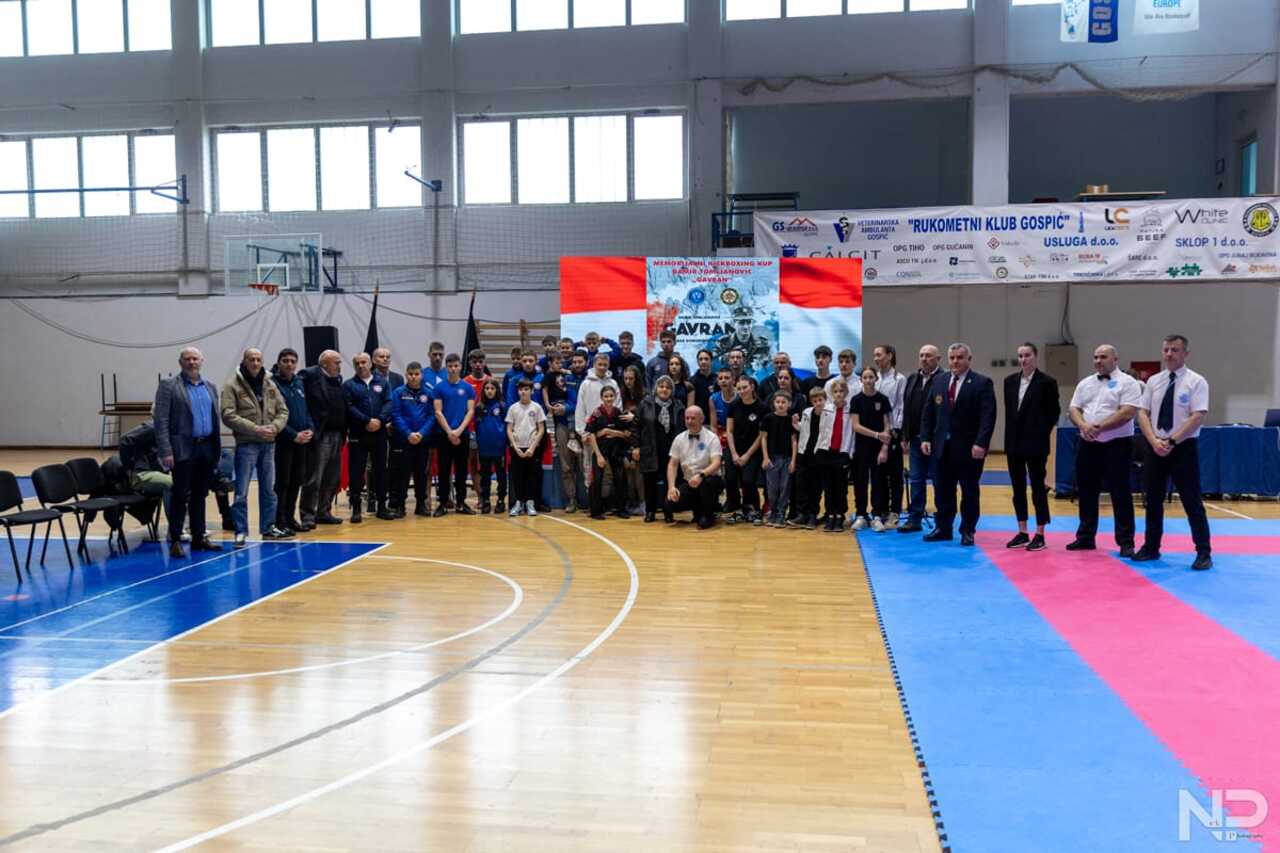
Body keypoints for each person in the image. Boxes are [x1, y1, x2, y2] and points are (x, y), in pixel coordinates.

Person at [1134, 335, 1213, 570]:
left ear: (1185, 354)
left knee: (1191, 501)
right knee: (1153, 500)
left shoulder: (1196, 381)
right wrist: (1153, 440)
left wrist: (1172, 441)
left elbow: (1197, 416)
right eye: (1166, 349)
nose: (1169, 354)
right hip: (1155, 446)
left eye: (1175, 350)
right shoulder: (1153, 381)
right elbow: (1142, 413)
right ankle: (1151, 546)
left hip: (1183, 447)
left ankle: (1203, 552)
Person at [1066, 344, 1143, 557]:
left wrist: (1099, 427)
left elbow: (1127, 412)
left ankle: (1126, 541)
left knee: (1120, 492)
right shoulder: (1085, 383)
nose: (1098, 361)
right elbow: (1073, 409)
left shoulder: (1128, 383)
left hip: (1117, 444)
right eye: (1095, 357)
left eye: (1103, 357)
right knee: (1086, 491)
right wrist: (1084, 426)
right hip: (1087, 443)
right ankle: (1085, 537)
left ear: (1115, 359)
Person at [920, 343, 997, 546]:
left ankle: (967, 530)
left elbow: (988, 417)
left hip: (969, 449)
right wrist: (926, 437)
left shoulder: (982, 383)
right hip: (941, 448)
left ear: (969, 359)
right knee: (942, 491)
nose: (955, 361)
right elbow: (928, 412)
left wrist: (981, 443)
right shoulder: (939, 381)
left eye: (960, 357)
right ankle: (943, 527)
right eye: (952, 358)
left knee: (969, 491)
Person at [154, 347, 223, 557]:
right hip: (183, 449)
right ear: (180, 362)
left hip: (206, 447)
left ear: (201, 361)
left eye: (195, 359)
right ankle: (175, 539)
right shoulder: (168, 386)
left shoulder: (210, 387)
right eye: (187, 359)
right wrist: (166, 451)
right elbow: (161, 420)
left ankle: (199, 537)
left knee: (200, 495)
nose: (191, 362)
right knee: (180, 494)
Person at [220, 347, 290, 546]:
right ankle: (240, 531)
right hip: (247, 445)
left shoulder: (270, 383)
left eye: (259, 359)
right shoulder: (232, 385)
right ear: (244, 361)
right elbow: (228, 415)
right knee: (241, 491)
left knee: (269, 490)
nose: (256, 363)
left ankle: (268, 527)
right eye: (252, 359)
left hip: (269, 444)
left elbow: (283, 411)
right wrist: (255, 429)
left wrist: (274, 428)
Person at [1002, 342, 1061, 552]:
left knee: (1037, 488)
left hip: (1036, 444)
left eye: (1027, 355)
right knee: (1017, 489)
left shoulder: (1047, 382)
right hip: (1013, 444)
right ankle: (1022, 531)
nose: (1023, 359)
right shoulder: (1009, 381)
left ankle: (1040, 533)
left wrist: (1039, 433)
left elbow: (1054, 413)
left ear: (1035, 357)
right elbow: (1011, 413)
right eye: (1020, 355)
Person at [341, 353, 392, 524]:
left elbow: (388, 403)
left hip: (379, 432)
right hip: (358, 433)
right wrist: (366, 421)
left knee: (381, 470)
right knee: (356, 472)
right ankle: (356, 508)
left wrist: (380, 420)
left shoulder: (383, 382)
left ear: (370, 364)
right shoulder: (348, 385)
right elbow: (349, 407)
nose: (361, 365)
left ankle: (382, 506)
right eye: (357, 363)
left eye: (364, 362)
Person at [300, 349, 346, 528]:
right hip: (320, 435)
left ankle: (324, 511)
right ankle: (307, 515)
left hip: (338, 434)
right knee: (314, 478)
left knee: (332, 478)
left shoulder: (338, 380)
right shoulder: (310, 375)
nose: (340, 366)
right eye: (336, 362)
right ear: (325, 363)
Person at [898, 345, 942, 534]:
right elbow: (906, 409)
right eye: (921, 355)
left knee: (940, 480)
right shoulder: (913, 379)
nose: (924, 358)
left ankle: (942, 519)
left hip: (937, 441)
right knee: (916, 479)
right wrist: (904, 435)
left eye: (929, 355)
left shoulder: (944, 379)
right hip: (916, 439)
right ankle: (914, 518)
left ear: (938, 359)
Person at [271, 348, 313, 534]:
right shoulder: (272, 384)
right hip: (284, 441)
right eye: (285, 360)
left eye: (292, 361)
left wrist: (310, 429)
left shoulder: (299, 382)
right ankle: (279, 521)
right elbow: (273, 415)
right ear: (279, 362)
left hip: (302, 441)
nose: (289, 364)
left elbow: (306, 410)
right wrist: (293, 435)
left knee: (297, 480)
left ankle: (290, 517)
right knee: (283, 482)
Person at [665, 406, 724, 530]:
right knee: (670, 503)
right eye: (687, 418)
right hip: (690, 482)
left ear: (702, 419)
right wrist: (671, 487)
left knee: (706, 485)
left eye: (693, 418)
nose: (689, 421)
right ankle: (698, 510)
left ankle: (708, 516)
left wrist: (701, 475)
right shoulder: (679, 439)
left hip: (709, 479)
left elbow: (717, 462)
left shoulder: (712, 437)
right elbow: (672, 464)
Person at [849, 366, 893, 532]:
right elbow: (856, 426)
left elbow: (887, 426)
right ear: (861, 380)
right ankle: (861, 515)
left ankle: (877, 516)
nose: (868, 380)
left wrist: (884, 448)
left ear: (876, 379)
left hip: (878, 448)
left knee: (878, 481)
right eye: (865, 377)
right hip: (861, 448)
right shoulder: (856, 400)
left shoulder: (883, 399)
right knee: (860, 481)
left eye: (871, 377)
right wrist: (876, 435)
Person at [636, 376, 685, 523]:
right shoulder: (645, 403)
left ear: (672, 390)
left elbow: (682, 429)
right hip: (650, 448)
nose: (664, 389)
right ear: (656, 388)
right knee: (649, 481)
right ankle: (650, 511)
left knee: (669, 481)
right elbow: (636, 426)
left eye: (668, 387)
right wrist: (636, 447)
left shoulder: (678, 405)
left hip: (671, 450)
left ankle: (668, 511)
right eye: (661, 386)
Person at [433, 353, 476, 515]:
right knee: (444, 470)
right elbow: (438, 412)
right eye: (450, 366)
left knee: (461, 470)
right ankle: (443, 503)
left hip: (462, 434)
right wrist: (450, 432)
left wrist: (458, 431)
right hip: (444, 435)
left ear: (460, 367)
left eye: (455, 366)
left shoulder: (468, 388)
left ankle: (461, 503)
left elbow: (470, 411)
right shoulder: (439, 388)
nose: (453, 369)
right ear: (446, 367)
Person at [389, 361, 434, 517]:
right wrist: (408, 433)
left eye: (416, 374)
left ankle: (420, 505)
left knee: (421, 473)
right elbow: (396, 415)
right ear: (406, 375)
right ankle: (400, 506)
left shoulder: (429, 393)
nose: (413, 377)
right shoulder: (398, 392)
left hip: (422, 440)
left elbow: (432, 416)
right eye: (410, 374)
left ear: (422, 375)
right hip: (404, 440)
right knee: (402, 473)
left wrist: (421, 433)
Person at [586, 385, 633, 519]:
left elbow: (627, 434)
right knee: (597, 479)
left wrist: (610, 432)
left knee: (620, 478)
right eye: (606, 396)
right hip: (600, 450)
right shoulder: (596, 413)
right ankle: (596, 511)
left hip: (616, 450)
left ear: (615, 397)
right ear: (601, 398)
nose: (609, 399)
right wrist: (598, 455)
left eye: (611, 396)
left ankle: (621, 509)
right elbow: (591, 434)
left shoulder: (619, 413)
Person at [726, 376, 768, 525]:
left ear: (752, 387)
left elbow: (761, 434)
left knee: (748, 480)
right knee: (731, 478)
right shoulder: (733, 405)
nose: (742, 391)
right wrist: (734, 453)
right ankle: (738, 509)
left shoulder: (762, 407)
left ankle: (754, 509)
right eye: (739, 388)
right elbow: (729, 431)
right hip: (735, 449)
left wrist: (747, 455)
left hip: (753, 451)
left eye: (745, 387)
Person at [873, 345, 906, 526]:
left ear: (889, 356)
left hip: (893, 431)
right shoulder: (874, 378)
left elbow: (901, 406)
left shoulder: (899, 379)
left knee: (894, 474)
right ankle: (882, 509)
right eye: (874, 355)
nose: (876, 358)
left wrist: (896, 430)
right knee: (879, 474)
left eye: (879, 355)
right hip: (876, 432)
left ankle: (895, 511)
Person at [789, 385, 830, 530]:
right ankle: (802, 514)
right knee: (801, 485)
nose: (818, 403)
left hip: (819, 456)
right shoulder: (807, 412)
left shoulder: (829, 414)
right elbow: (803, 429)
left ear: (825, 399)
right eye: (815, 401)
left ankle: (813, 514)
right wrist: (795, 423)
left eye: (820, 400)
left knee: (815, 487)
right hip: (804, 454)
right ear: (811, 402)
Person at [815, 379, 853, 532]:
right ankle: (830, 514)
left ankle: (839, 515)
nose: (838, 394)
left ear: (846, 393)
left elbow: (852, 433)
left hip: (842, 452)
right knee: (828, 487)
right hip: (826, 452)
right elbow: (822, 430)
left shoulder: (850, 410)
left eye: (841, 391)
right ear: (831, 394)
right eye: (835, 392)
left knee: (840, 487)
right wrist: (818, 449)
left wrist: (849, 453)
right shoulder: (827, 409)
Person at [505, 379, 546, 516]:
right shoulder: (513, 408)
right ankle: (518, 503)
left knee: (531, 476)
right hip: (517, 448)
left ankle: (530, 503)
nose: (523, 392)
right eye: (521, 389)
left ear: (532, 391)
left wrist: (532, 447)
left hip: (532, 448)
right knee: (518, 476)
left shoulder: (537, 407)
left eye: (526, 389)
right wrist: (515, 446)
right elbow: (509, 429)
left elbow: (541, 429)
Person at [760, 391, 797, 528]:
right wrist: (765, 457)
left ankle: (781, 513)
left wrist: (793, 461)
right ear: (773, 403)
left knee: (784, 488)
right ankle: (773, 512)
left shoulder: (791, 420)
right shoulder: (768, 418)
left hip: (787, 458)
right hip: (772, 459)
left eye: (783, 402)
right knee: (772, 488)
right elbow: (763, 438)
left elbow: (794, 441)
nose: (780, 405)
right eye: (778, 402)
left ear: (789, 404)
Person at [474, 378, 508, 514]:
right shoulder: (479, 407)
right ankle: (486, 501)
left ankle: (500, 500)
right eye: (487, 388)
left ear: (497, 390)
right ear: (483, 391)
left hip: (499, 447)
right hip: (484, 447)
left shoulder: (502, 406)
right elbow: (476, 426)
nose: (489, 391)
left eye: (492, 388)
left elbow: (507, 425)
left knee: (501, 475)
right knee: (485, 476)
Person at [708, 367, 739, 514]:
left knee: (733, 473)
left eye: (727, 378)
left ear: (733, 380)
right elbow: (713, 426)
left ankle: (739, 501)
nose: (723, 381)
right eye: (720, 378)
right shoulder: (713, 399)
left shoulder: (740, 396)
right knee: (723, 471)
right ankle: (728, 500)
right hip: (721, 435)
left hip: (738, 436)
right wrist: (717, 442)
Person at [619, 365, 646, 513]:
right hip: (624, 438)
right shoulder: (621, 395)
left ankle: (643, 502)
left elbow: (648, 419)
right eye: (626, 378)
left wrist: (634, 417)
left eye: (631, 378)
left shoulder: (645, 395)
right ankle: (631, 501)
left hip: (639, 438)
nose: (628, 381)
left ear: (637, 379)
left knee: (638, 471)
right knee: (628, 471)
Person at [714, 305, 771, 375]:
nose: (746, 327)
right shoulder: (723, 343)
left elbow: (769, 367)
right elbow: (714, 365)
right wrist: (729, 355)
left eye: (749, 322)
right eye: (741, 323)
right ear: (733, 324)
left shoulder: (763, 343)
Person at [574, 352, 619, 436]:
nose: (602, 367)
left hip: (610, 430)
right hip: (590, 431)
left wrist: (616, 428)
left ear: (609, 365)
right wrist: (582, 431)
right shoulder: (586, 384)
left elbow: (618, 406)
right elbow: (580, 408)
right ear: (594, 364)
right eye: (600, 364)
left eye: (605, 365)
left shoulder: (613, 383)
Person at [690, 348, 717, 421]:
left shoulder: (717, 380)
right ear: (697, 362)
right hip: (698, 420)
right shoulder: (691, 381)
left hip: (715, 420)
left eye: (706, 359)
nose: (703, 362)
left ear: (711, 361)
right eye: (700, 359)